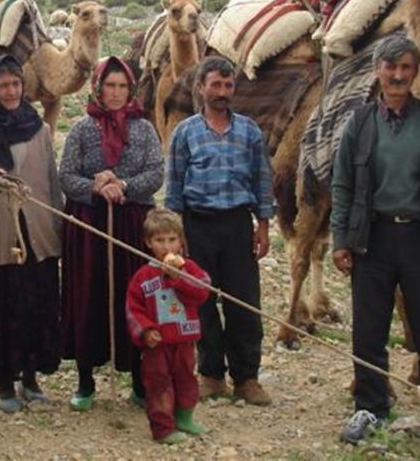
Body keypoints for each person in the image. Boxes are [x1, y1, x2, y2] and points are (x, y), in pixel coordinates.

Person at [331, 34, 420, 453]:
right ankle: (370, 405)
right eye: (390, 67)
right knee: (368, 329)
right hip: (373, 237)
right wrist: (340, 239)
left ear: (415, 72)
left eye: (406, 67)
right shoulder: (359, 123)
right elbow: (343, 184)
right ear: (378, 71)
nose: (397, 75)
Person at [164, 55, 273, 405]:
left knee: (244, 302)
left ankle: (247, 377)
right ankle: (211, 374)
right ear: (201, 87)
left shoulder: (249, 131)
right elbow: (174, 185)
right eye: (216, 84)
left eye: (228, 85)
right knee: (202, 301)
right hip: (198, 225)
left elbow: (262, 179)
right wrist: (176, 236)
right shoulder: (185, 132)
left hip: (238, 224)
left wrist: (264, 226)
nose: (223, 91)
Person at [59, 56, 164, 411]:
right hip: (89, 225)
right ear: (98, 88)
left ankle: (137, 378)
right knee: (89, 295)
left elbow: (156, 173)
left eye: (122, 86)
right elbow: (66, 176)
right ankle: (86, 381)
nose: (116, 93)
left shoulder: (145, 129)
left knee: (135, 296)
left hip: (133, 225)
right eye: (110, 85)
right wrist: (95, 187)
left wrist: (123, 184)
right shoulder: (80, 129)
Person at [0, 55, 63, 413]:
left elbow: (51, 181)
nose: (11, 91)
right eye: (3, 85)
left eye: (16, 84)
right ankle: (5, 382)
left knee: (36, 306)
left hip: (38, 235)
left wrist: (58, 227)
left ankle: (31, 377)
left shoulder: (38, 127)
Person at [126, 209, 211, 444]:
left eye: (172, 240)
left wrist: (178, 278)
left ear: (181, 241)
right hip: (158, 342)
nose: (167, 247)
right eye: (160, 241)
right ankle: (163, 428)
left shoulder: (190, 269)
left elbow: (202, 292)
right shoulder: (143, 276)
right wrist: (145, 330)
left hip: (184, 339)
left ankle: (185, 417)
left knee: (186, 378)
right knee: (158, 383)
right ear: (148, 243)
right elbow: (133, 309)